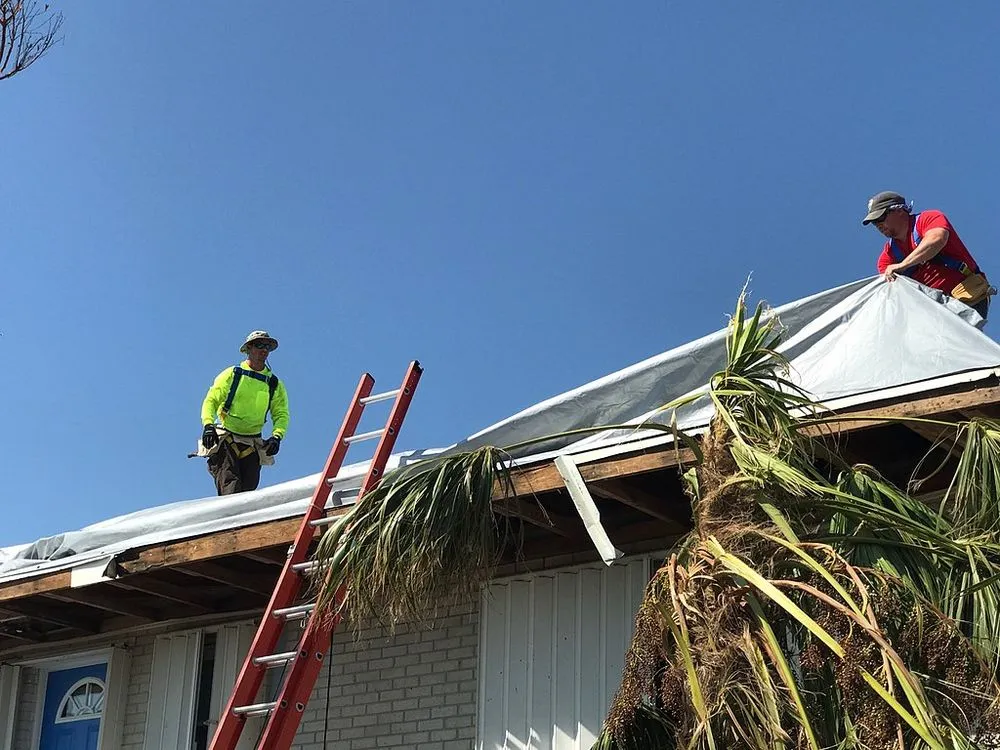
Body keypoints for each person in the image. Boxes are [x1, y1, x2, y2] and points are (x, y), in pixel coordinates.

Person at [862, 191, 992, 320]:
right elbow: (893, 290)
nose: (878, 225)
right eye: (874, 222)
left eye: (880, 218)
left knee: (964, 337)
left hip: (964, 294)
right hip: (931, 309)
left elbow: (937, 239)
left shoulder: (928, 219)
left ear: (899, 210)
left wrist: (903, 265)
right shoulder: (888, 257)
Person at [198, 330, 290, 495]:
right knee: (230, 487)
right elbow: (211, 400)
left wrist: (277, 436)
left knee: (249, 492)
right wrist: (208, 425)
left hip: (252, 443)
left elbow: (281, 413)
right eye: (259, 345)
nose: (264, 350)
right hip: (227, 438)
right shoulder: (232, 374)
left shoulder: (274, 384)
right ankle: (229, 520)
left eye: (267, 346)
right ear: (248, 348)